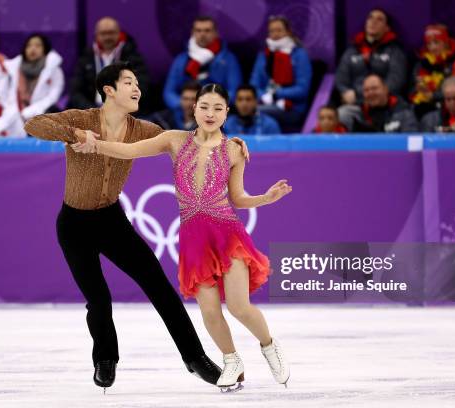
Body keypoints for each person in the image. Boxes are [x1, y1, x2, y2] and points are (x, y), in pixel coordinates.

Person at [24, 62, 249, 392]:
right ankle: (105, 358)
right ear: (109, 90)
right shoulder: (80, 119)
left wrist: (228, 142)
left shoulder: (144, 129)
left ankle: (196, 358)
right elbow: (33, 124)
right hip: (73, 224)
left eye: (137, 83)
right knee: (98, 298)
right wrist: (73, 135)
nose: (137, 88)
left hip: (111, 221)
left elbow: (188, 142)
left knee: (159, 287)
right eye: (128, 82)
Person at [70, 83, 292, 392]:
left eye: (217, 108)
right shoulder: (174, 140)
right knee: (210, 311)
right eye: (205, 107)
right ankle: (231, 360)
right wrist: (95, 145)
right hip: (193, 240)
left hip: (227, 235)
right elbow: (131, 150)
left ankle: (269, 346)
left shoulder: (233, 149)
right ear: (194, 108)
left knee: (239, 306)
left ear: (227, 112)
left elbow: (238, 198)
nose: (210, 113)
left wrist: (266, 198)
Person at [335, 8, 407, 129]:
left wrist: (375, 95)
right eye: (370, 18)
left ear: (387, 28)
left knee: (403, 116)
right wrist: (345, 92)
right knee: (342, 114)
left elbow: (396, 80)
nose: (373, 22)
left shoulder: (395, 51)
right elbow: (341, 79)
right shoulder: (352, 50)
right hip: (357, 105)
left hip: (386, 105)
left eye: (379, 19)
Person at [163, 16, 241, 117]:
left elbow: (234, 91)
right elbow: (169, 92)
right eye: (198, 30)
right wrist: (184, 105)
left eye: (207, 30)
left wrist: (212, 106)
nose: (202, 34)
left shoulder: (229, 60)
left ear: (216, 33)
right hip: (184, 115)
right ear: (193, 33)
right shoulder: (181, 60)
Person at [69, 17, 149, 110]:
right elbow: (75, 91)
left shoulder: (132, 56)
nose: (107, 37)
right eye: (103, 33)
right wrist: (92, 110)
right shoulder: (86, 57)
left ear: (119, 33)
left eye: (111, 33)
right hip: (91, 111)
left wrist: (118, 108)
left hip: (123, 111)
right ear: (96, 35)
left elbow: (142, 86)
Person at [249, 15, 312, 131]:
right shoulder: (263, 55)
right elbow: (253, 85)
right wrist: (263, 96)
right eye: (272, 31)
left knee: (254, 112)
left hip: (292, 107)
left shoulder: (299, 54)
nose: (275, 34)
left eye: (279, 30)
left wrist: (276, 94)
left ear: (288, 32)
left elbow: (302, 89)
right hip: (264, 102)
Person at [5, 34, 64, 121]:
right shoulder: (14, 69)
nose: (32, 49)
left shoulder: (54, 70)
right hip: (16, 117)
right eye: (29, 46)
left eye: (37, 45)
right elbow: (8, 97)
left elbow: (53, 97)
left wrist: (32, 111)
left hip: (43, 115)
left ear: (45, 49)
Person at [410, 24, 455, 119]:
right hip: (419, 105)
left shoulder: (453, 65)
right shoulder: (420, 64)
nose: (433, 47)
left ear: (445, 43)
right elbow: (410, 89)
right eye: (429, 44)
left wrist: (433, 95)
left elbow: (454, 91)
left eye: (436, 43)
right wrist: (418, 88)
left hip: (443, 107)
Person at [351, 74, 418, 132]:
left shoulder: (403, 112)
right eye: (366, 90)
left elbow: (411, 140)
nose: (370, 93)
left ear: (385, 89)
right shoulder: (359, 115)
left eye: (374, 88)